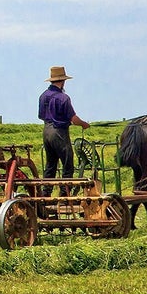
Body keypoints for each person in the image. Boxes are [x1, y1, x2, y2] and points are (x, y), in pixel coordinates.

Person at [38, 66, 90, 197]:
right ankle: (64, 193)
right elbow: (74, 118)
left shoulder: (43, 96)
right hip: (59, 132)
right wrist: (84, 124)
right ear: (63, 81)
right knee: (67, 163)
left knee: (51, 164)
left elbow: (40, 115)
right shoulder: (63, 98)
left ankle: (46, 193)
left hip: (46, 131)